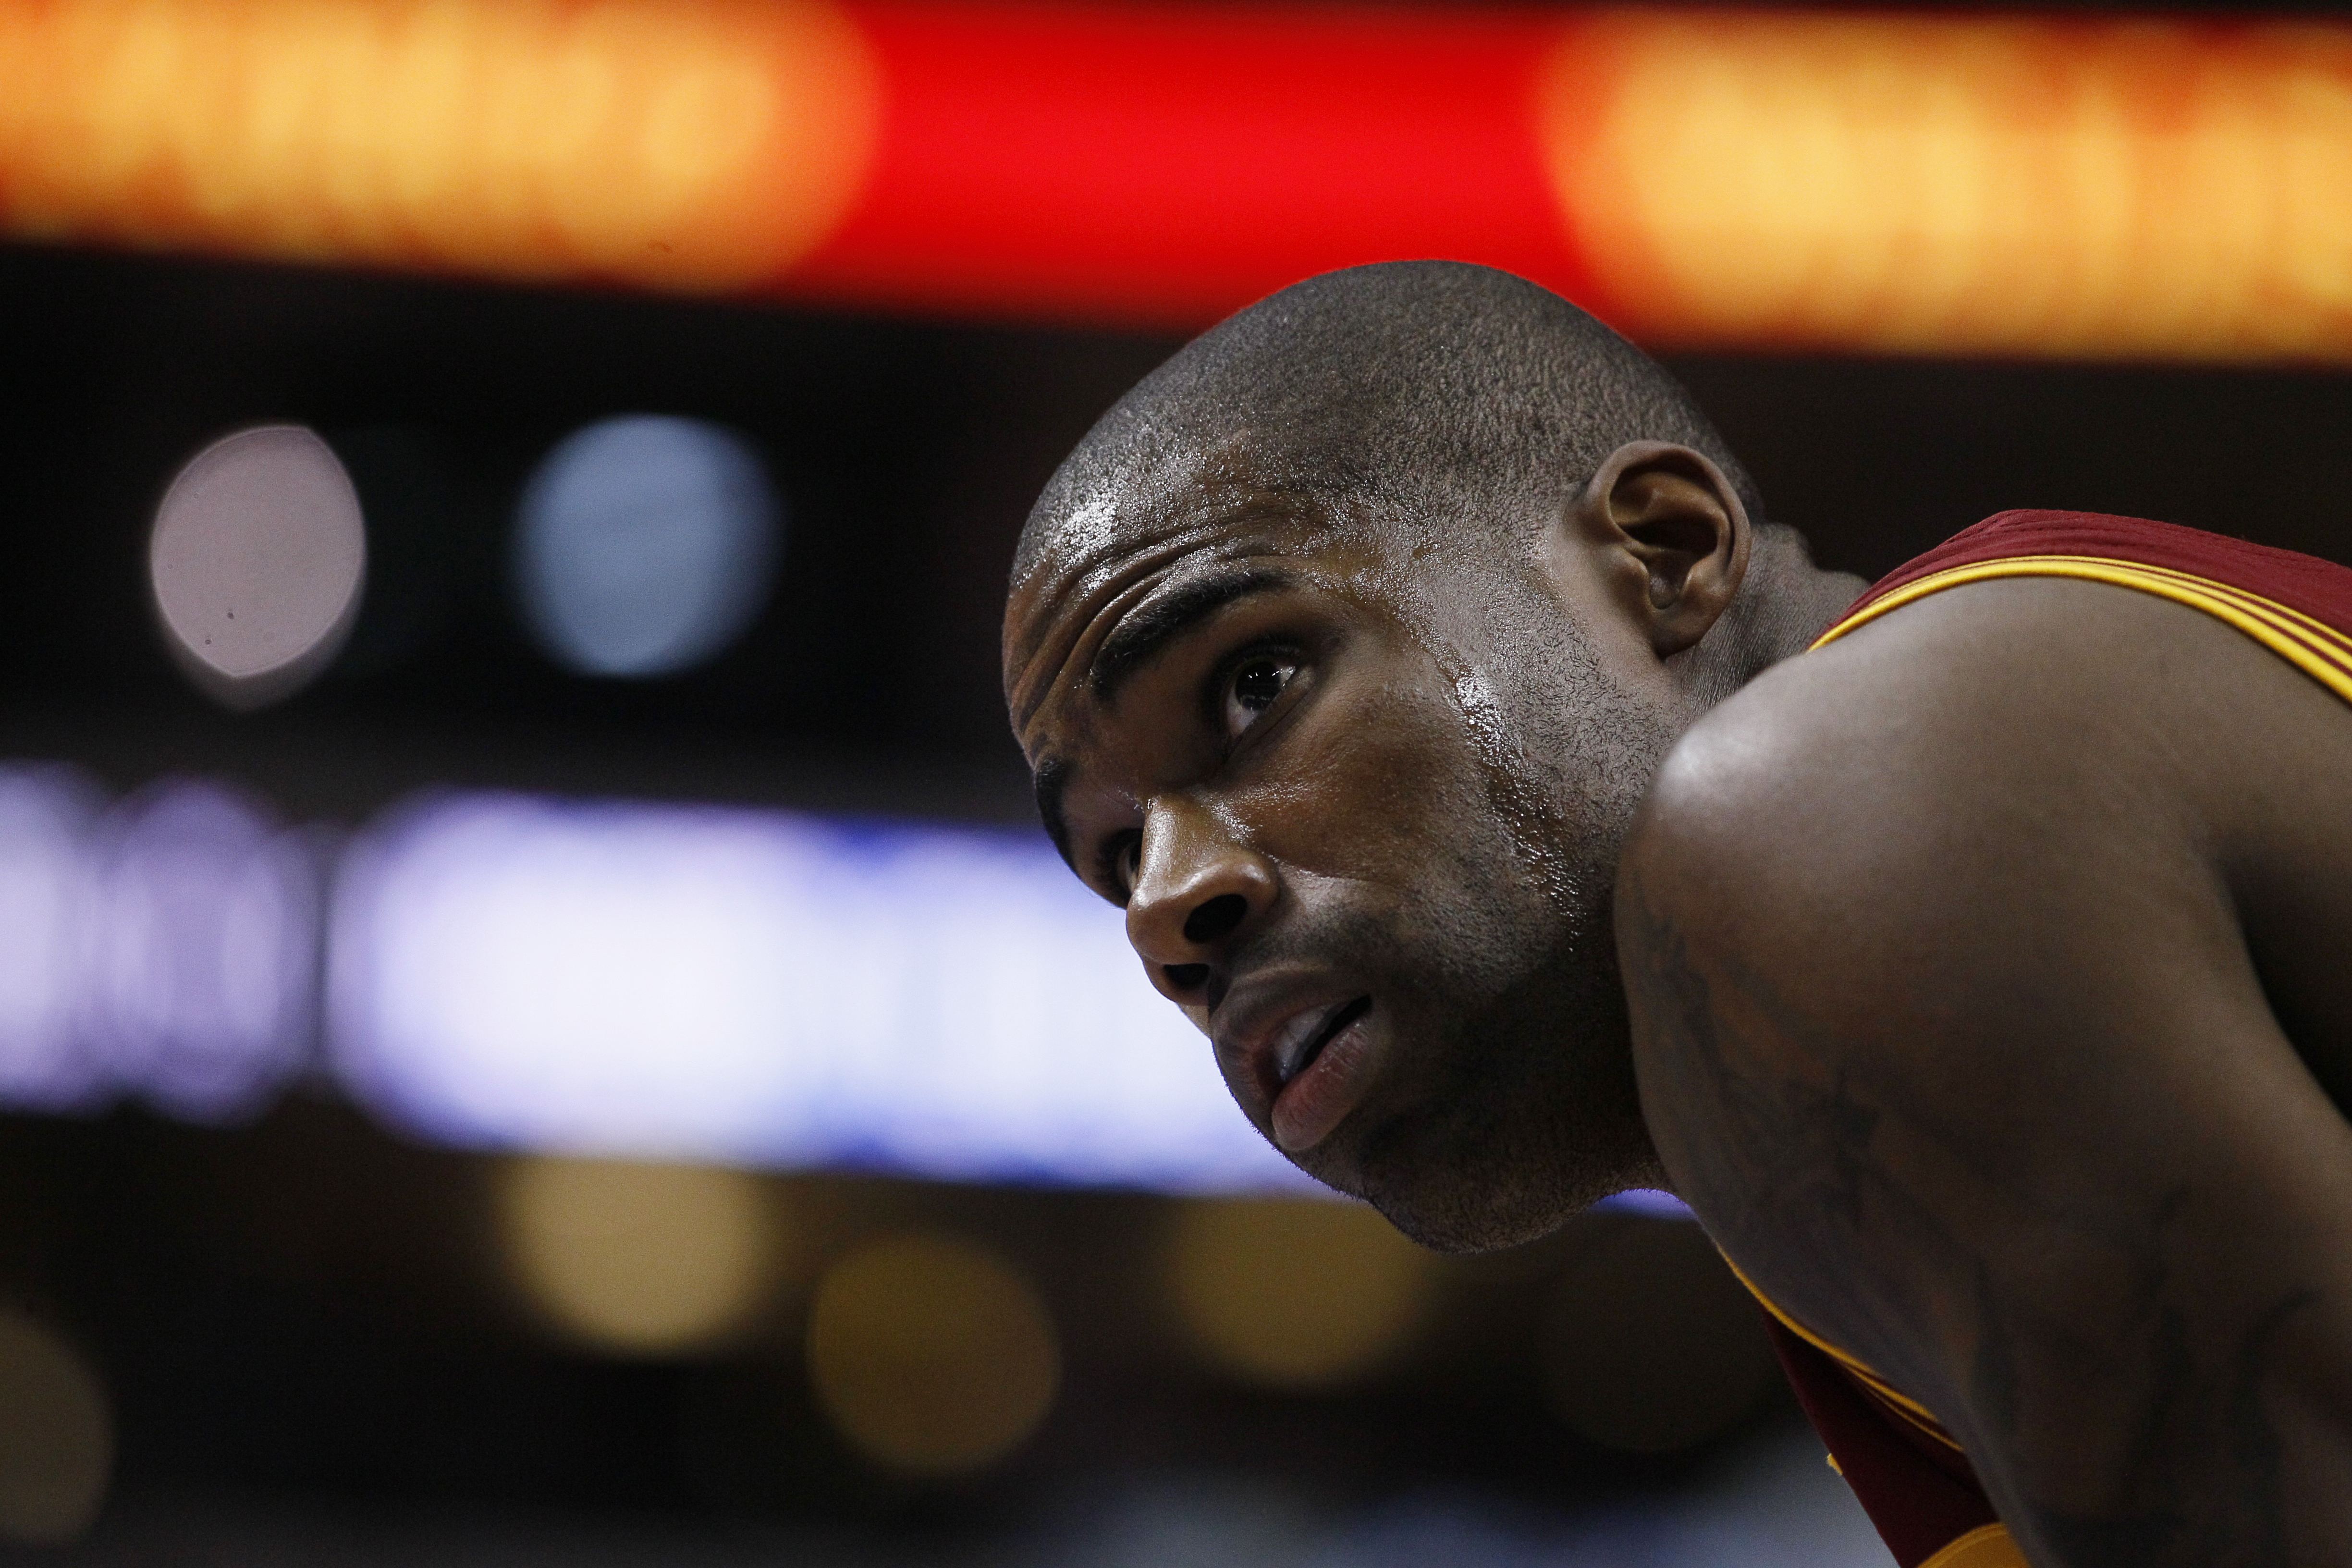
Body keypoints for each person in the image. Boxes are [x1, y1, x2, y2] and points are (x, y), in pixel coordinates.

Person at [1002, 261, 2352, 1568]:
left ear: (1662, 553)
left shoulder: (1844, 809)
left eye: (1257, 684)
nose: (1168, 913)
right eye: (1116, 855)